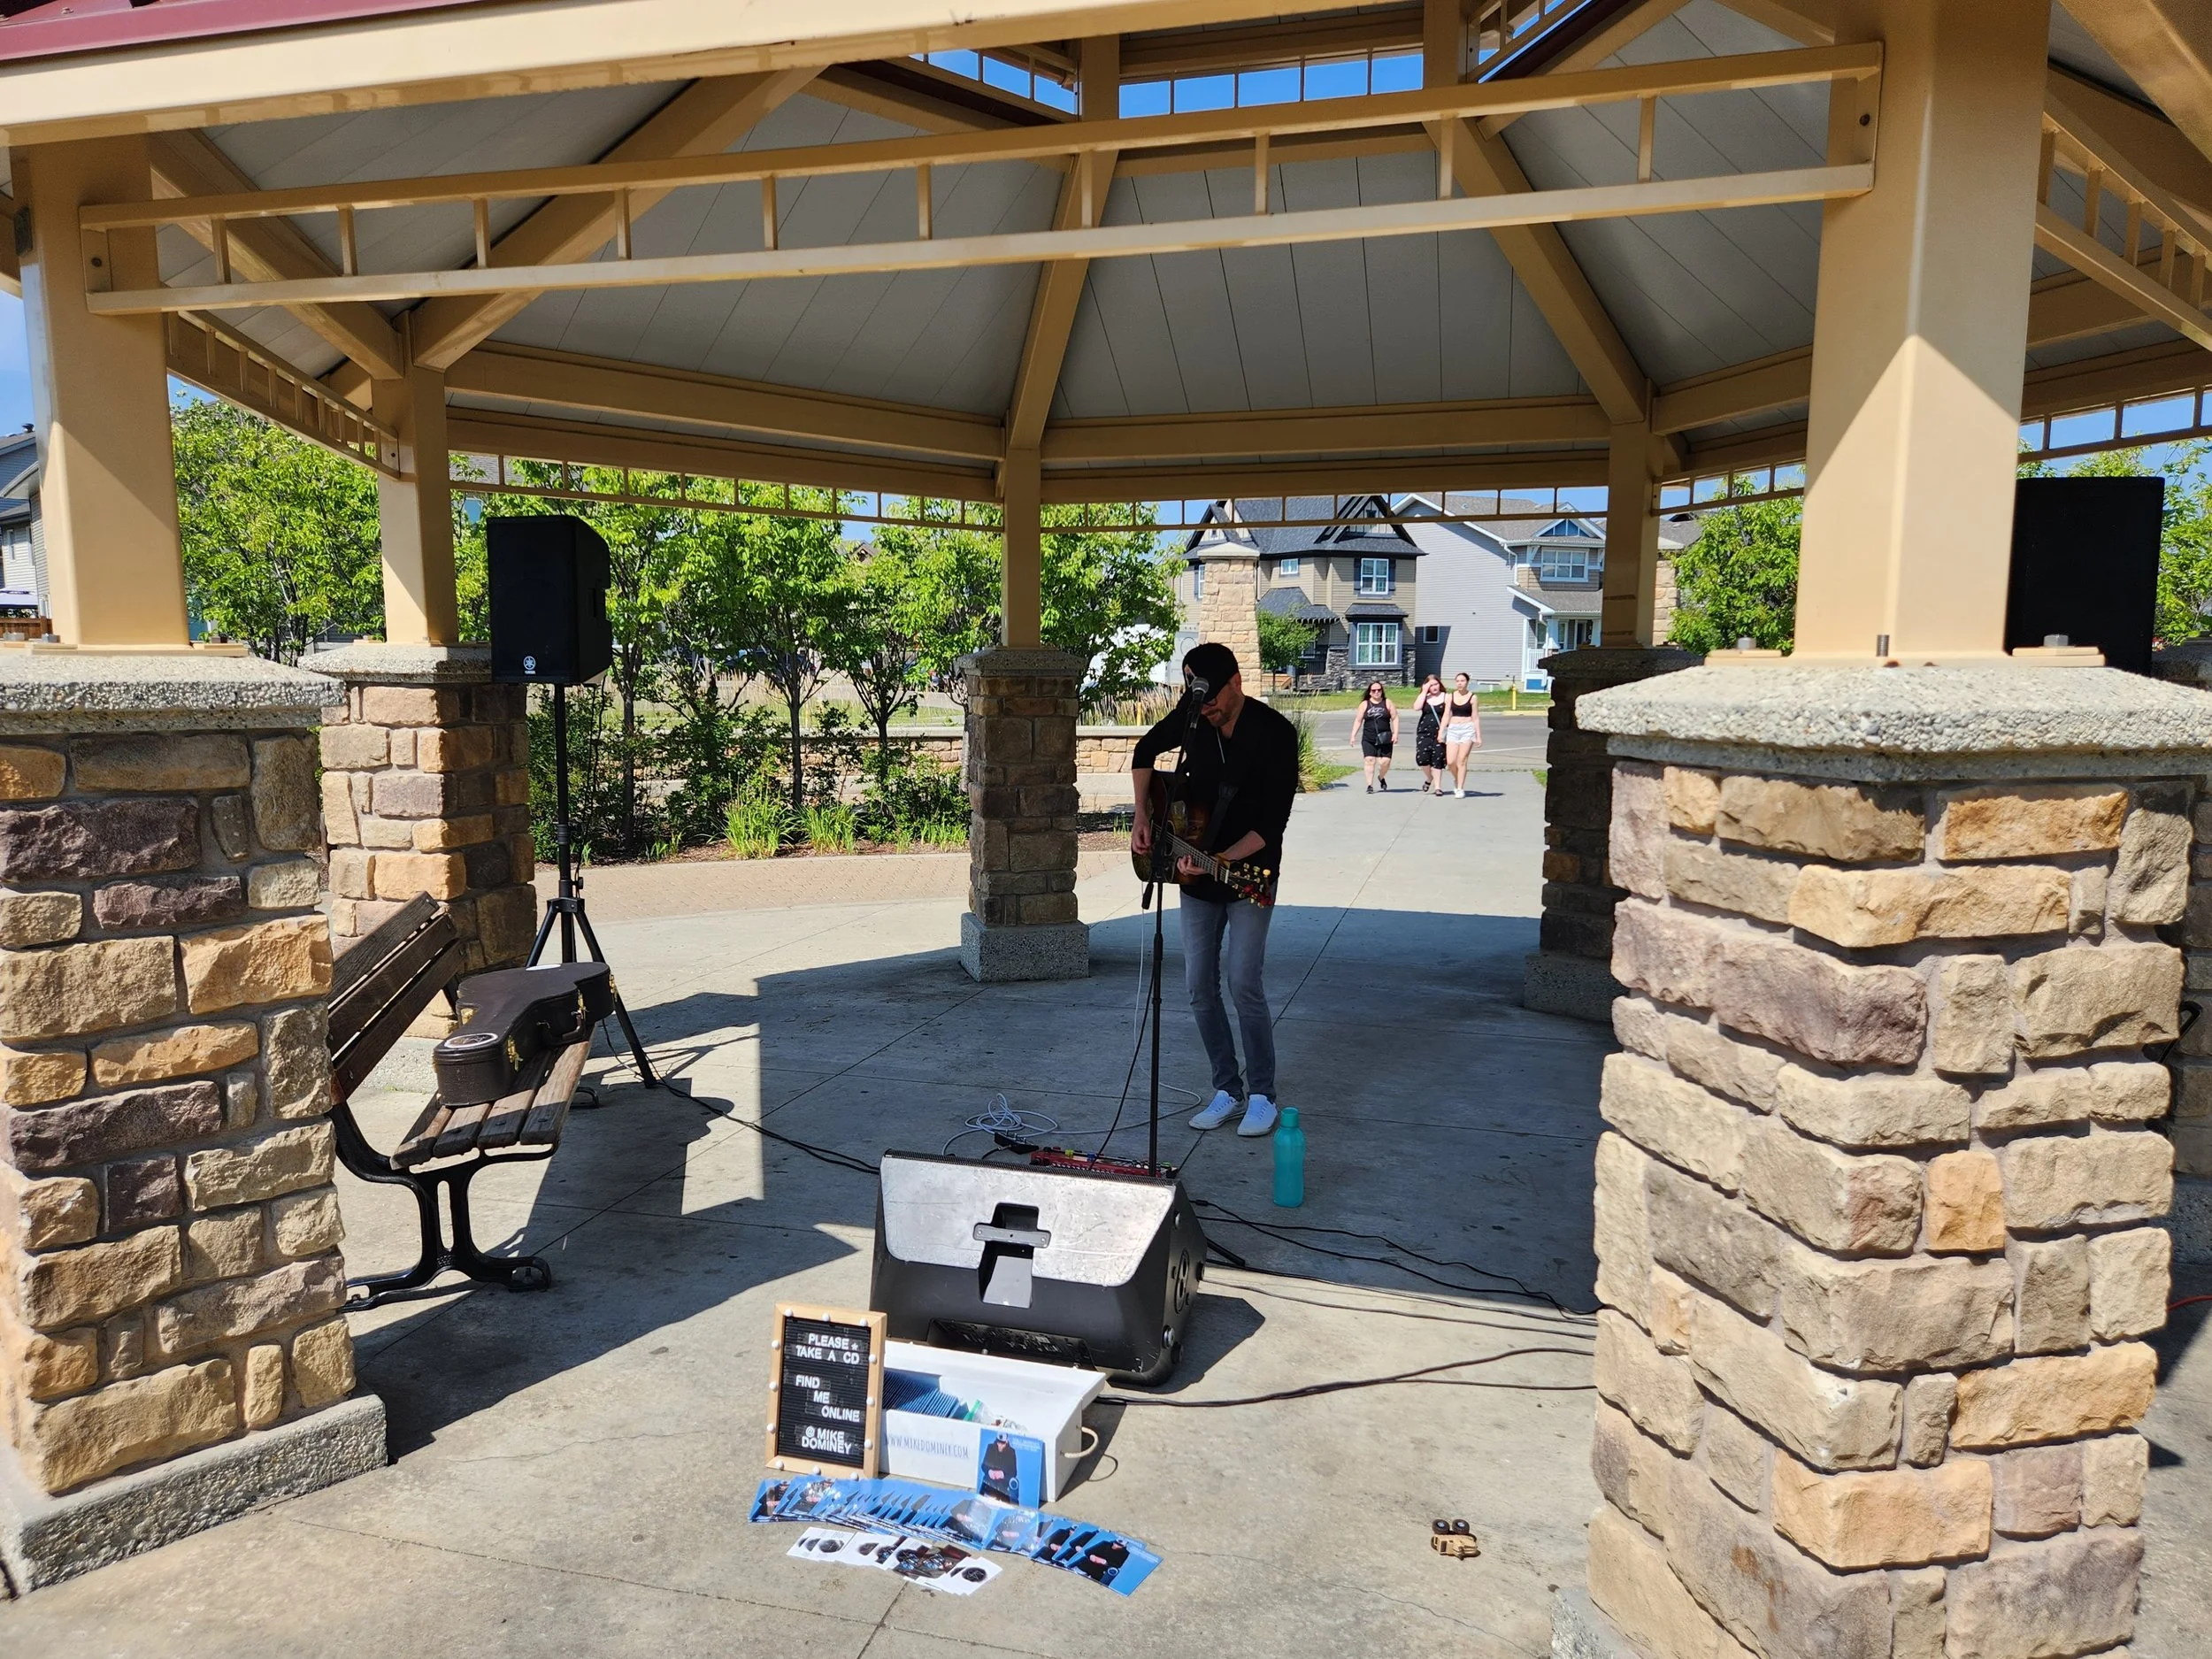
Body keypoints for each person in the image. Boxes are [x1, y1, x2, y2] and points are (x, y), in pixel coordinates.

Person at [1131, 641, 1300, 1141]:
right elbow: (1145, 751)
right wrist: (1143, 814)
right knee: (1197, 986)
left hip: (1251, 873)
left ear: (1237, 683)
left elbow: (1273, 823)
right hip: (1196, 874)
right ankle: (1227, 1088)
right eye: (1194, 697)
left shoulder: (1274, 734)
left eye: (1210, 697)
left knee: (1244, 982)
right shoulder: (1193, 717)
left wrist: (1225, 861)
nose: (1203, 708)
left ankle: (1263, 1094)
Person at [1348, 680, 1399, 793]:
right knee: (1369, 760)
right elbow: (1358, 720)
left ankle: (1381, 777)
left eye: (1379, 690)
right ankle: (1370, 785)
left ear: (1382, 691)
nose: (1376, 692)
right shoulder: (1365, 704)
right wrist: (1353, 736)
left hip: (1385, 738)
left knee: (1384, 762)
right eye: (1374, 690)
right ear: (1370, 692)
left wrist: (1396, 733)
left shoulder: (1387, 702)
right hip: (1369, 737)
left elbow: (1395, 718)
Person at [1440, 672, 1481, 798]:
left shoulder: (1472, 697)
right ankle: (1457, 779)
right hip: (1453, 729)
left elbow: (1475, 717)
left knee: (1462, 760)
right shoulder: (1450, 697)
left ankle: (1460, 788)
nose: (1460, 683)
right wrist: (1441, 731)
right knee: (1451, 761)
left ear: (1467, 682)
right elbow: (1446, 715)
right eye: (1457, 681)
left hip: (1467, 729)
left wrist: (1478, 735)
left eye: (1462, 681)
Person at [1413, 673, 1449, 792]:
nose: (1434, 687)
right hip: (1424, 732)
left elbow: (1449, 715)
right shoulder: (1425, 697)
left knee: (1437, 759)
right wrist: (1424, 692)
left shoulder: (1446, 697)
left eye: (1436, 684)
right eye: (1431, 685)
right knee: (1422, 758)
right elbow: (1416, 707)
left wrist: (1443, 731)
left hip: (1440, 732)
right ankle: (1429, 778)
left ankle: (1438, 787)